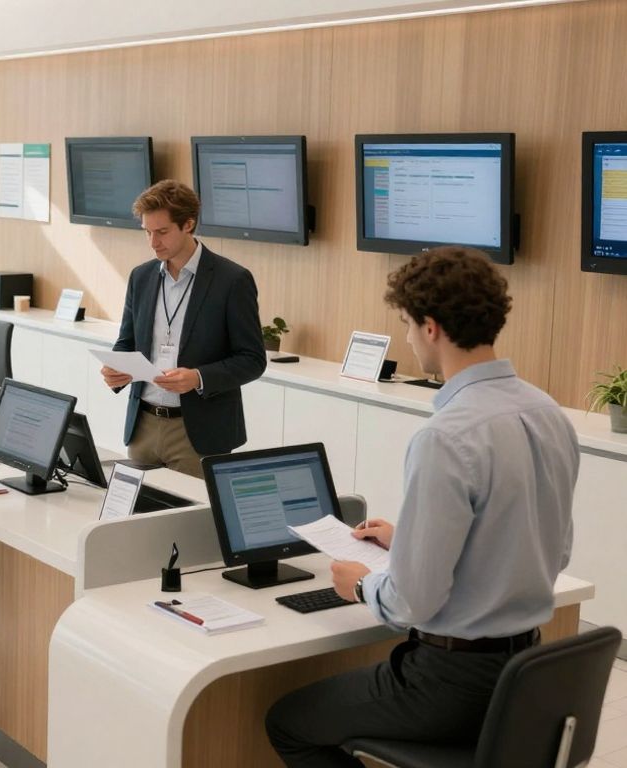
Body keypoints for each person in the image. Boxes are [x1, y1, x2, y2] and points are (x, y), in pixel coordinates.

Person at [265, 247, 579, 767]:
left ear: (431, 327)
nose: (408, 339)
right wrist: (408, 537)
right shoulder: (547, 412)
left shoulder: (447, 436)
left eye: (408, 326)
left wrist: (359, 584)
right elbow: (553, 550)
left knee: (289, 722)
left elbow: (415, 599)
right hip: (525, 672)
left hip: (450, 684)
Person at [100, 180, 265, 479]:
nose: (153, 242)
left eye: (162, 232)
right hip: (143, 427)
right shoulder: (141, 277)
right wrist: (116, 369)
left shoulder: (232, 280)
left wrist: (198, 378)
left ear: (188, 224)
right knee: (136, 523)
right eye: (147, 232)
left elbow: (253, 359)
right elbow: (127, 342)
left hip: (199, 433)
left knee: (189, 524)